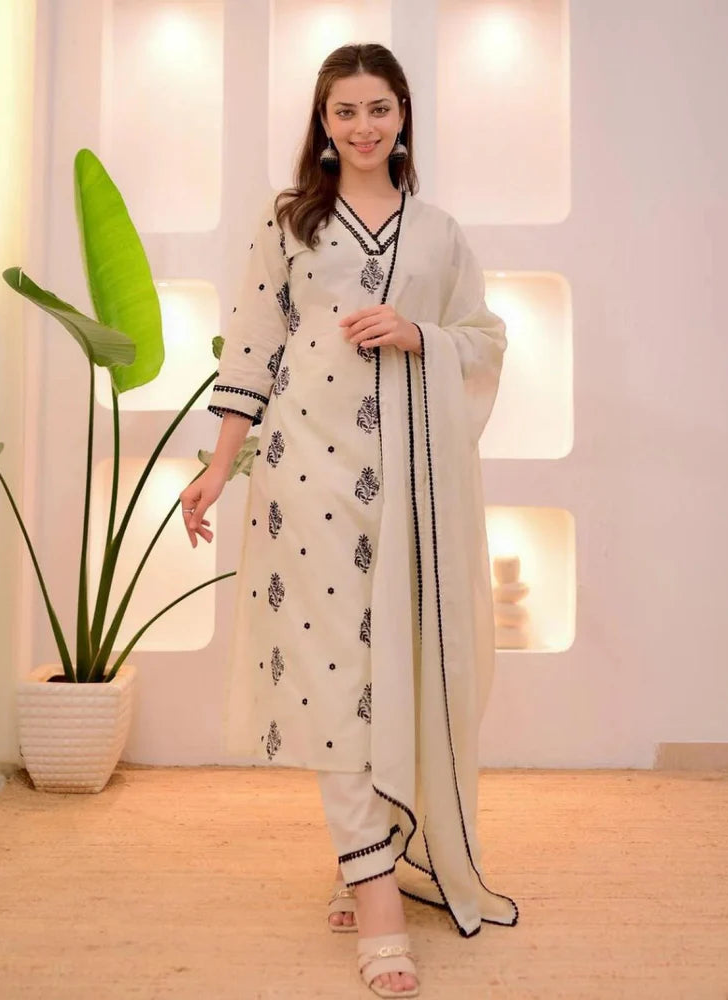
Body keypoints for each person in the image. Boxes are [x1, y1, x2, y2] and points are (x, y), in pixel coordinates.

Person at [180, 42, 518, 999]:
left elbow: (485, 339)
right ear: (323, 125)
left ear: (403, 116)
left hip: (411, 489)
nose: (363, 127)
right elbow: (253, 344)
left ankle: (369, 852)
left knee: (395, 672)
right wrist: (218, 468)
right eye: (345, 112)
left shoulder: (440, 233)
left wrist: (419, 335)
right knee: (333, 678)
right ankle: (376, 905)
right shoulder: (291, 220)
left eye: (378, 109)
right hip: (307, 479)